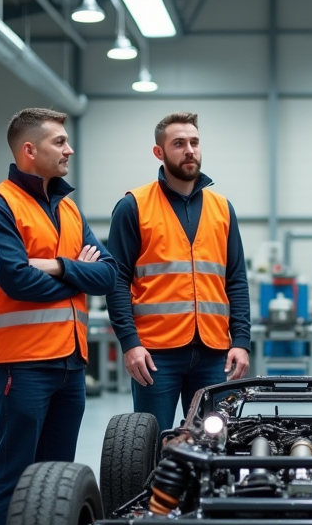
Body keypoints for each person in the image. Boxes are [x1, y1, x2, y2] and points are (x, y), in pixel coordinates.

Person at [0, 108, 117, 525]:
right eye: (60, 141)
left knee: (55, 476)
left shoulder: (70, 210)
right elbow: (15, 280)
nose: (69, 149)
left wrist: (55, 265)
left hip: (70, 362)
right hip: (23, 364)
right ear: (29, 150)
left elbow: (109, 275)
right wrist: (79, 272)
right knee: (13, 472)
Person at [106, 112, 251, 428]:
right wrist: (130, 344)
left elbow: (236, 280)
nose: (189, 150)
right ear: (159, 152)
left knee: (215, 442)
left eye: (195, 142)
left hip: (215, 351)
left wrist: (241, 340)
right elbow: (115, 280)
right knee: (148, 444)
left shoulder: (222, 208)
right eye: (179, 143)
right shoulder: (134, 206)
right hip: (156, 355)